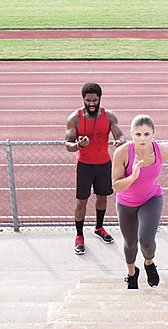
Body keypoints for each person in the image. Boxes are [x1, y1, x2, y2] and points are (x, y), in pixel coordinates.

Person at [112, 114, 168, 289]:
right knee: (130, 243)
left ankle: (149, 264)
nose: (142, 138)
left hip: (151, 198)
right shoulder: (122, 153)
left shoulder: (162, 149)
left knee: (145, 240)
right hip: (126, 203)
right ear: (131, 134)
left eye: (147, 134)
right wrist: (133, 176)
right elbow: (116, 186)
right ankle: (132, 274)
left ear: (153, 134)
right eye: (138, 134)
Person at [65, 82, 126, 255]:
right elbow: (67, 144)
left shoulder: (108, 116)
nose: (91, 103)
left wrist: (120, 142)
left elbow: (120, 134)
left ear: (100, 98)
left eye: (95, 100)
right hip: (84, 165)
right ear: (83, 99)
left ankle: (99, 228)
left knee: (102, 198)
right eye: (88, 100)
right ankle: (79, 236)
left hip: (104, 164)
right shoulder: (75, 118)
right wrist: (78, 145)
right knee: (81, 201)